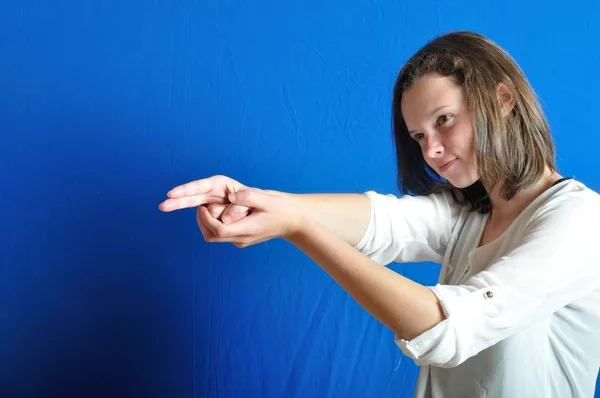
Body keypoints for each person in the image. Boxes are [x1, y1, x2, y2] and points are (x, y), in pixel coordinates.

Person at [158, 31, 600, 397]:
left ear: (503, 99)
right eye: (419, 136)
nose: (432, 150)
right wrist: (253, 199)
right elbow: (385, 222)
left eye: (444, 120)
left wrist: (299, 228)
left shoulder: (579, 220)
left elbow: (450, 326)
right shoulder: (473, 213)